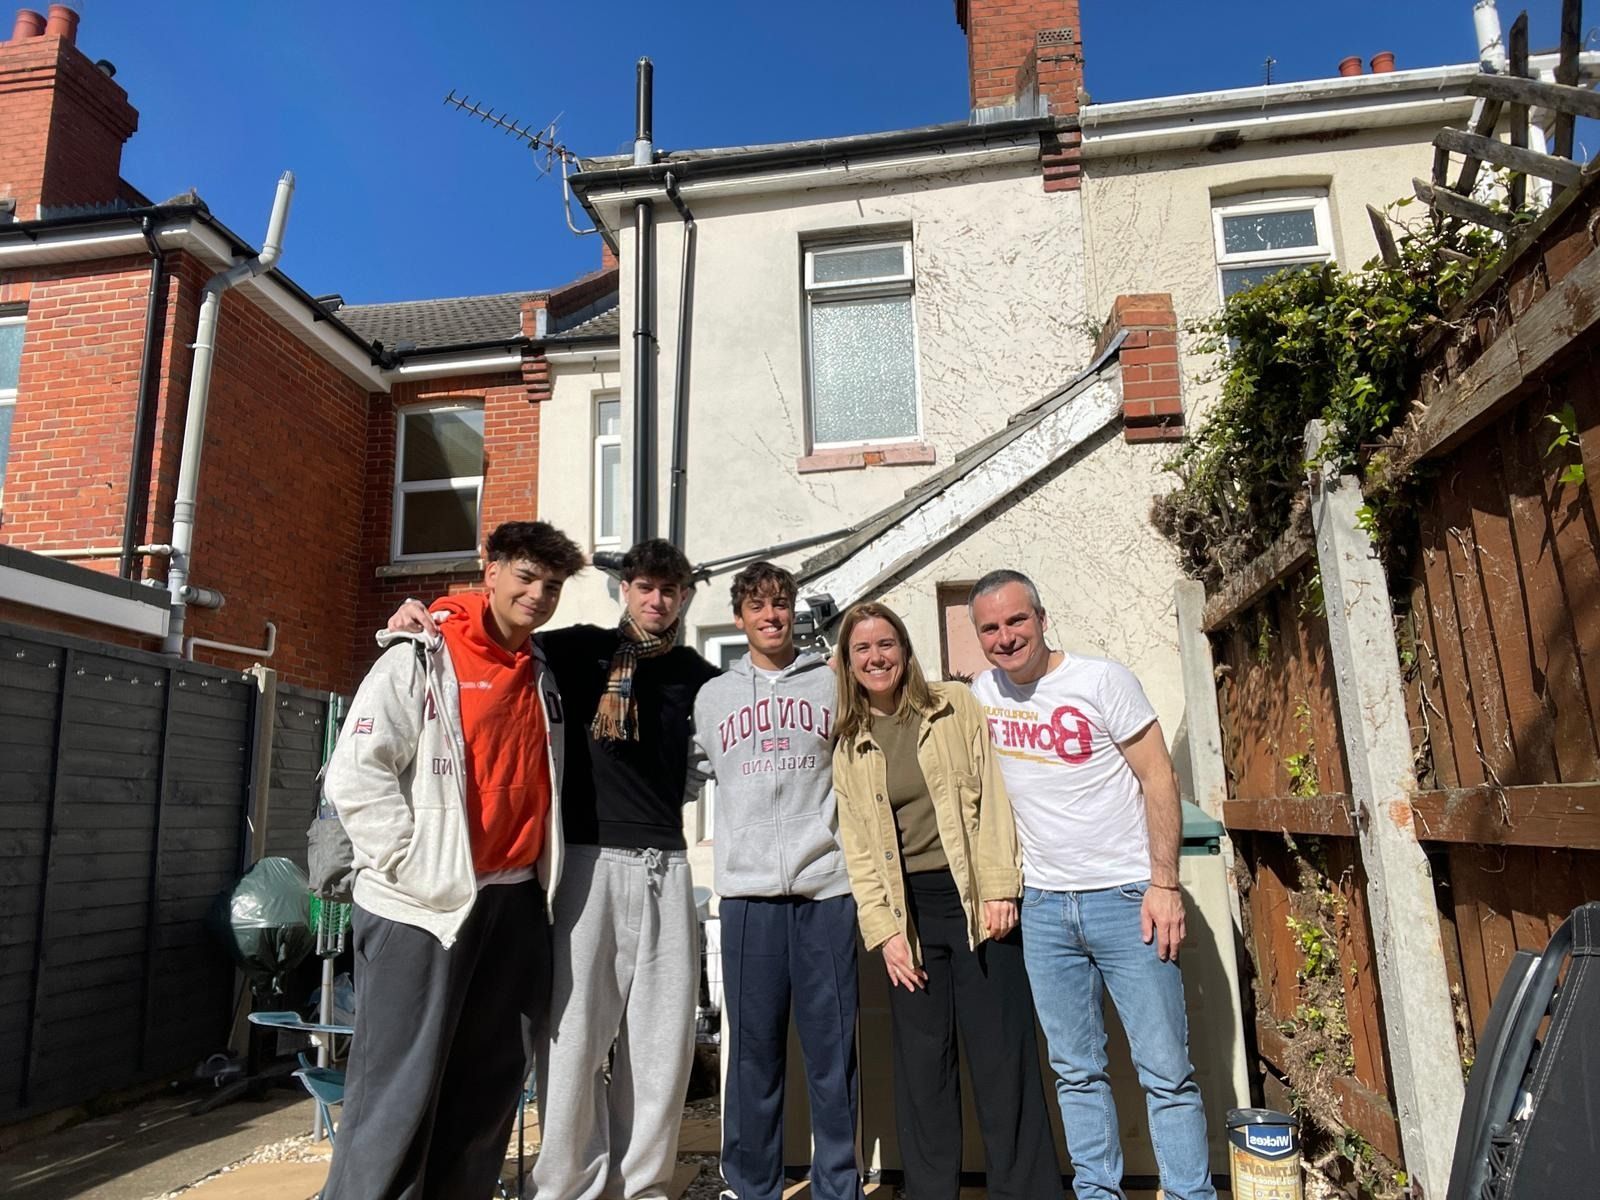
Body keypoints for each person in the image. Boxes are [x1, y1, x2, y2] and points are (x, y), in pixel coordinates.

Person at [389, 537, 719, 1200]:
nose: (657, 600)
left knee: (660, 1049)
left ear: (683, 597)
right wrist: (427, 612)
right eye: (645, 587)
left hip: (667, 864)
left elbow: (700, 762)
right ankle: (567, 1184)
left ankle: (644, 1187)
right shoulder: (572, 651)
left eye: (670, 590)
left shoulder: (699, 677)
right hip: (587, 866)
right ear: (624, 589)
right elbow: (495, 632)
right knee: (572, 1043)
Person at [321, 520, 585, 1200]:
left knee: (487, 1090)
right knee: (396, 1094)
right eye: (525, 577)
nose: (538, 595)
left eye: (552, 585)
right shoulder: (420, 655)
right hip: (423, 908)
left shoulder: (541, 670)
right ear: (489, 570)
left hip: (513, 902)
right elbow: (357, 774)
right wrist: (410, 864)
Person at [967, 569, 1215, 1200]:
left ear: (1042, 619)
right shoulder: (981, 694)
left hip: (1128, 899)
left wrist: (1165, 885)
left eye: (1016, 620)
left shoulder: (1102, 680)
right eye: (990, 628)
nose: (1005, 637)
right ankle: (1098, 1193)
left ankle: (1189, 1194)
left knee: (1166, 1072)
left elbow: (1159, 778)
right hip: (1043, 907)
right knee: (1076, 1073)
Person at [830, 602, 1061, 1200]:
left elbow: (994, 795)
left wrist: (1000, 887)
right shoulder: (850, 744)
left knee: (1002, 1059)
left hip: (977, 902)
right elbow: (859, 848)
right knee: (922, 1069)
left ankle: (1026, 1193)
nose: (876, 657)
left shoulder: (953, 706)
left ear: (905, 650)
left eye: (886, 644)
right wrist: (885, 933)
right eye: (862, 649)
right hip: (908, 917)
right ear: (848, 664)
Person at [691, 562, 863, 1200]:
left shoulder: (832, 684)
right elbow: (684, 774)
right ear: (739, 618)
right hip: (747, 900)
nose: (771, 616)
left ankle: (838, 1186)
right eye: (758, 607)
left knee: (833, 1056)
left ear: (794, 611)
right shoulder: (713, 698)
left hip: (826, 892)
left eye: (781, 604)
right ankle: (751, 1186)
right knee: (753, 1056)